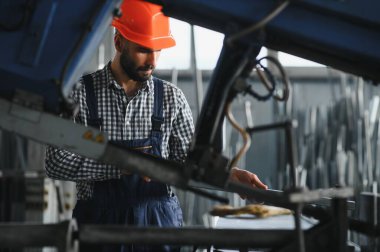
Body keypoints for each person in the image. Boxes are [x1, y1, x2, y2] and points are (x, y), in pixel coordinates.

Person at [45, 0, 267, 251]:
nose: (152, 60)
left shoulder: (171, 98)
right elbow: (56, 162)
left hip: (158, 224)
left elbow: (190, 164)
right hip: (99, 225)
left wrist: (230, 175)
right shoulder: (79, 95)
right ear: (119, 43)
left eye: (158, 49)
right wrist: (121, 164)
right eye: (143, 49)